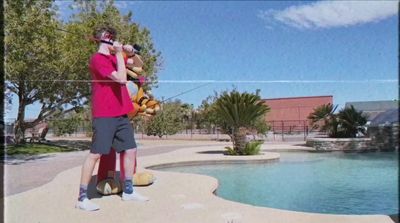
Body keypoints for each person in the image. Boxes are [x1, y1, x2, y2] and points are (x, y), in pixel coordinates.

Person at [76, 26, 149, 211]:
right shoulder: (98, 60)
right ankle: (82, 198)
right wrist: (119, 54)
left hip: (121, 113)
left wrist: (130, 51)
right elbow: (122, 79)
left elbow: (138, 63)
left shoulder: (116, 57)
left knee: (130, 149)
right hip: (104, 114)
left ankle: (129, 192)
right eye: (112, 38)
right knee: (96, 154)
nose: (115, 41)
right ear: (105, 39)